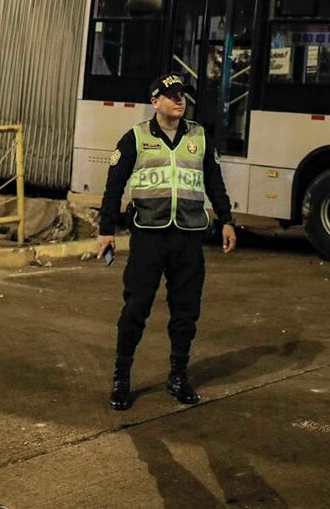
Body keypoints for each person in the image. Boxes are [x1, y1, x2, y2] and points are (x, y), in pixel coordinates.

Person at [97, 72, 238, 411]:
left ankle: (178, 375)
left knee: (186, 311)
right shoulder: (136, 137)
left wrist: (227, 220)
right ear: (155, 101)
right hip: (149, 236)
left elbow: (214, 182)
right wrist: (106, 230)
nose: (179, 100)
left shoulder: (199, 137)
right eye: (172, 95)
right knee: (136, 308)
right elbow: (114, 186)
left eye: (182, 95)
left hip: (188, 236)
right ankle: (121, 377)